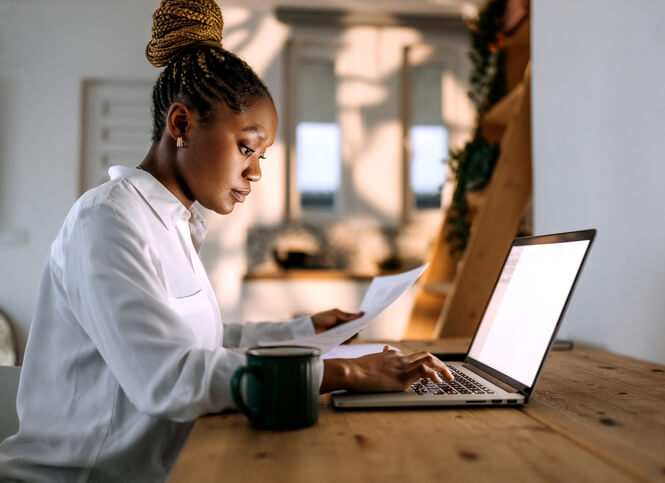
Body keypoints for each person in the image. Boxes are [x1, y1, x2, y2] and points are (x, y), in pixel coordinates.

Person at [0, 0, 453, 481]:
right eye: (246, 147)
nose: (255, 171)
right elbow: (168, 377)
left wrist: (305, 332)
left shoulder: (174, 223)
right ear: (182, 125)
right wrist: (345, 372)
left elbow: (206, 343)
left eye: (262, 154)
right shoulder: (108, 219)